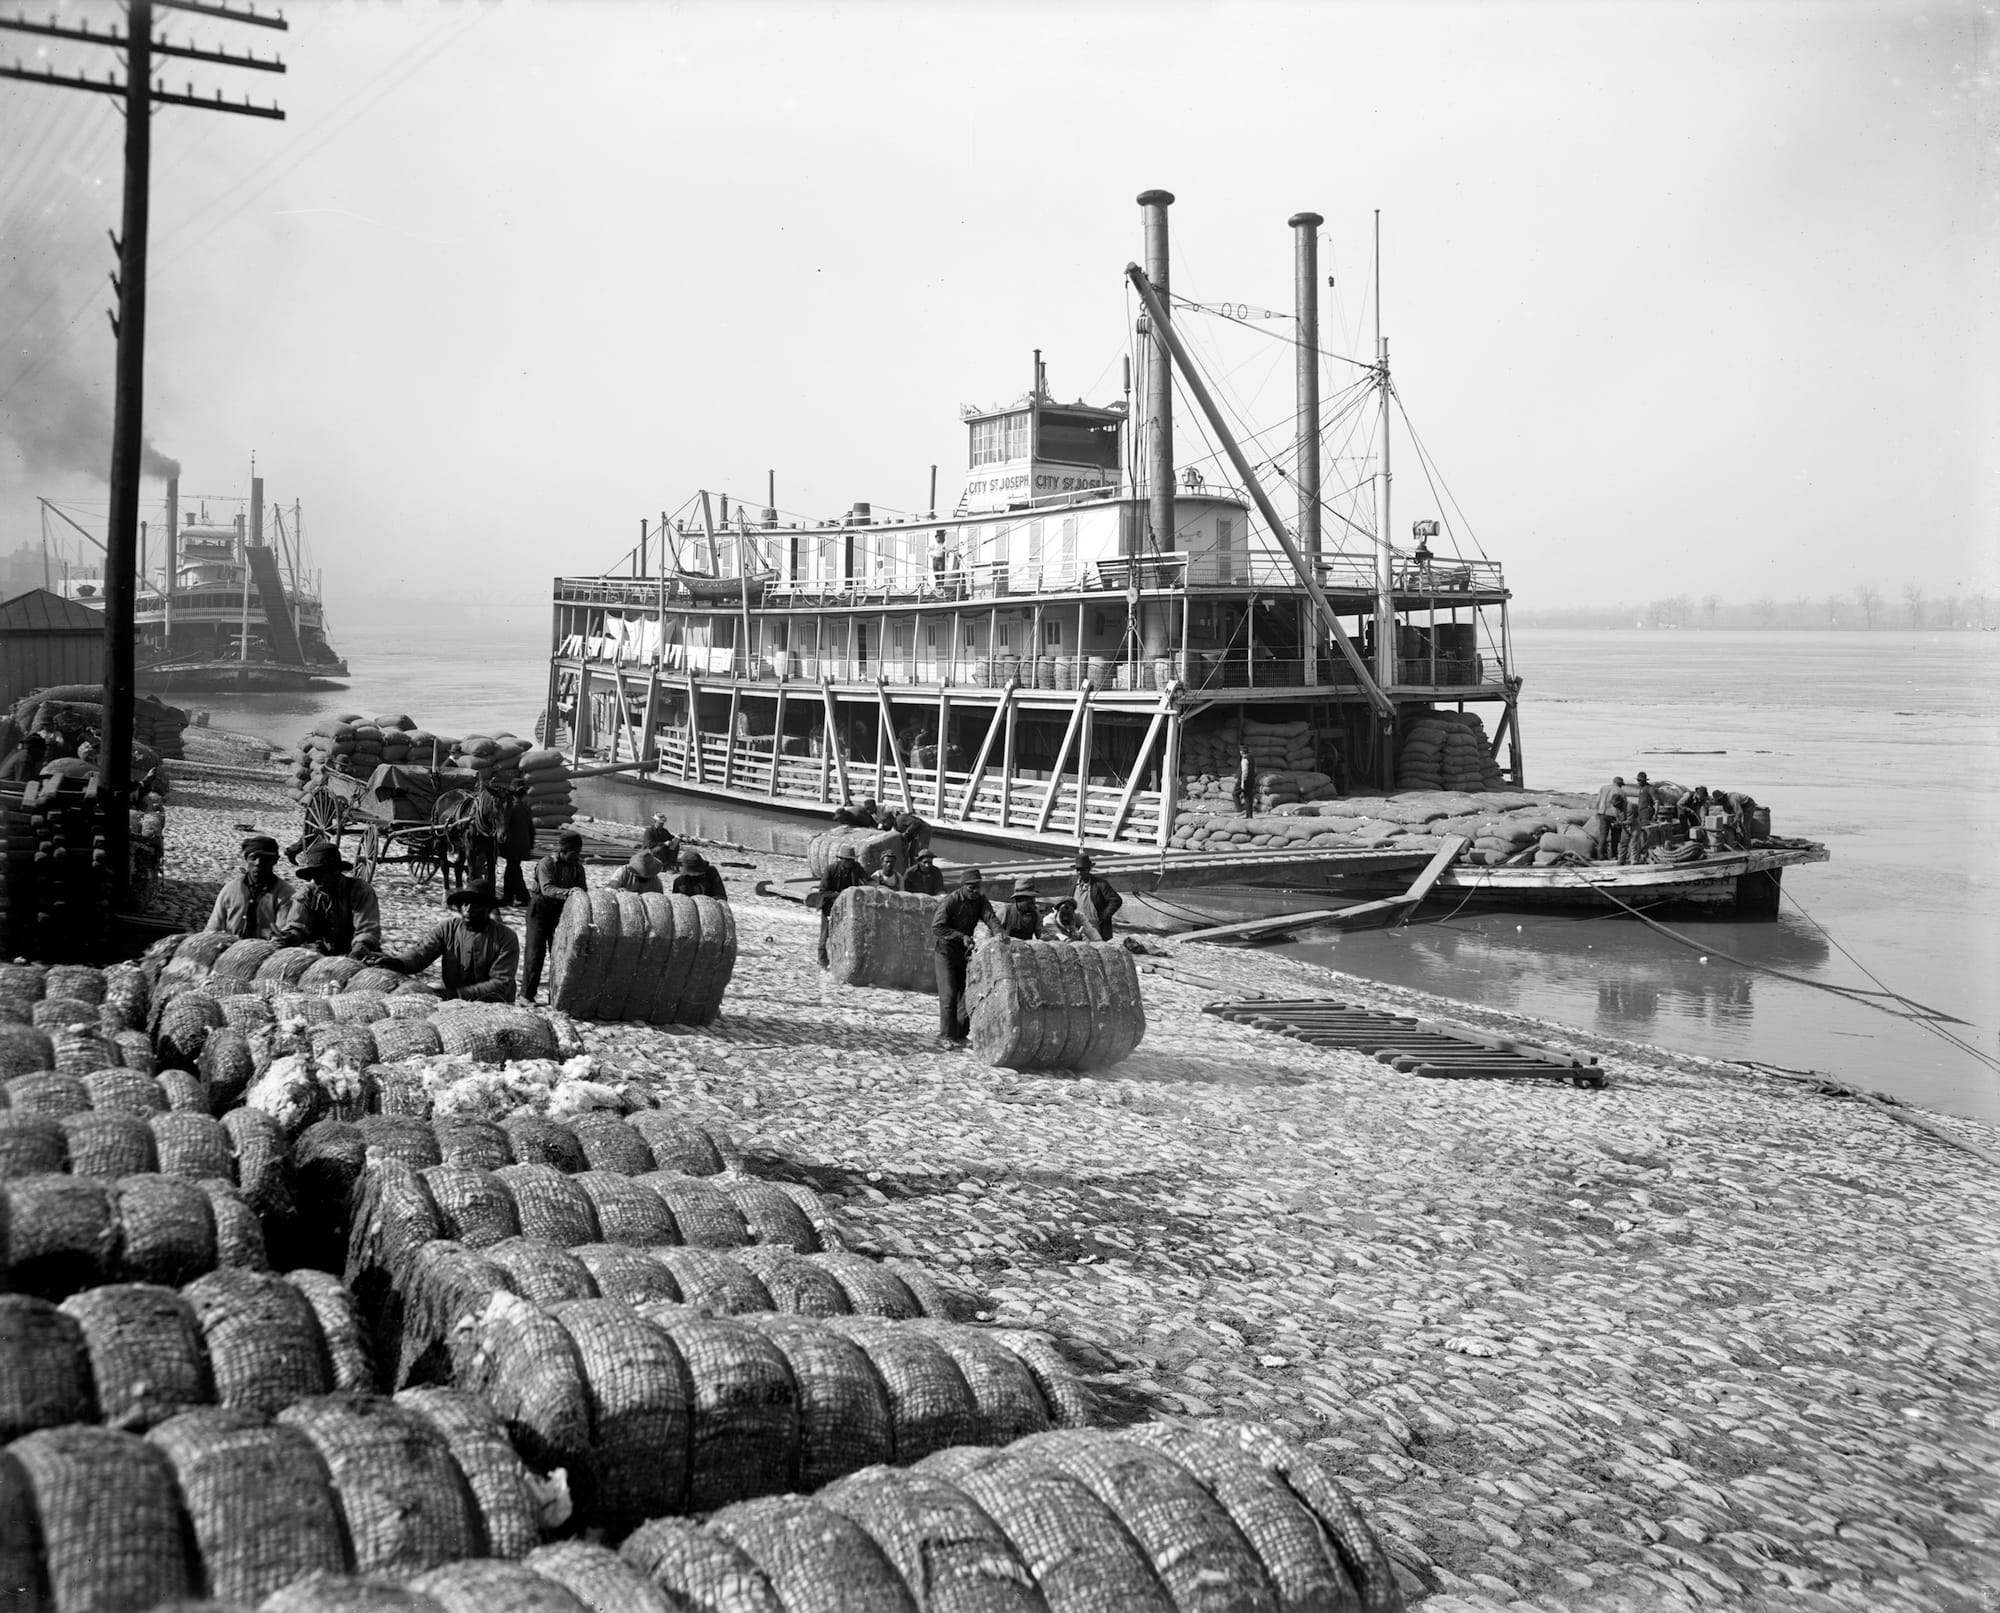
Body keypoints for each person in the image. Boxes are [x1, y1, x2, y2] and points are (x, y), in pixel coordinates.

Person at [377, 878, 519, 1002]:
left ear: (488, 908)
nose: (468, 909)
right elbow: (421, 953)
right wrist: (398, 962)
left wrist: (458, 994)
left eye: (475, 905)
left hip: (492, 1005)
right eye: (465, 903)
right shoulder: (448, 928)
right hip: (450, 1000)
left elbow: (500, 983)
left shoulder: (506, 938)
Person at [931, 867, 1001, 1045]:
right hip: (945, 952)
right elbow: (937, 927)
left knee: (966, 996)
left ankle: (959, 1034)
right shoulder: (950, 901)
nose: (975, 891)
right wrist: (960, 936)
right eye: (971, 887)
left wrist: (999, 932)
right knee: (948, 995)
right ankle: (946, 1036)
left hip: (964, 954)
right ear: (963, 886)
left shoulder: (980, 901)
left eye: (978, 887)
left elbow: (990, 917)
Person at [275, 842, 383, 957]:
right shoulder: (306, 893)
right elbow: (298, 925)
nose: (323, 878)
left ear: (338, 871)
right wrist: (290, 936)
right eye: (317, 874)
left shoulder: (360, 890)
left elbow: (367, 929)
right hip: (320, 953)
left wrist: (359, 950)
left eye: (328, 872)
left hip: (358, 951)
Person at [521, 828, 588, 1003]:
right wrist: (570, 892)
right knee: (535, 954)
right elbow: (547, 889)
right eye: (574, 853)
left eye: (579, 853)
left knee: (558, 954)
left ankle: (555, 997)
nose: (577, 857)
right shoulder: (547, 863)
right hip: (540, 910)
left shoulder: (578, 868)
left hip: (561, 913)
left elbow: (583, 890)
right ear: (563, 851)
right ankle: (526, 996)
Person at [205, 834, 296, 939]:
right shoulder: (230, 889)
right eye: (253, 858)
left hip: (267, 950)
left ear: (275, 860)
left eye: (265, 859)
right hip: (230, 949)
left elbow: (282, 935)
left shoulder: (286, 894)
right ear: (246, 859)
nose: (258, 863)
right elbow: (213, 928)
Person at [816, 844, 871, 967]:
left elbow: (868, 879)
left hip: (848, 906)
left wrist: (875, 885)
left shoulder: (856, 868)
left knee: (848, 933)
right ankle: (822, 962)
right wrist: (840, 895)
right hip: (829, 905)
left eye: (852, 860)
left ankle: (842, 961)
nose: (850, 863)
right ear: (841, 859)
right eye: (848, 860)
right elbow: (823, 891)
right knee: (825, 935)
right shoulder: (831, 869)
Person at [1071, 853, 1124, 941]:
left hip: (1095, 927)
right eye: (1078, 869)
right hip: (1077, 926)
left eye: (1083, 869)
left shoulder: (1100, 884)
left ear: (1089, 869)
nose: (1080, 872)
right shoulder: (1074, 884)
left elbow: (1116, 900)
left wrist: (1104, 915)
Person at [500, 782, 537, 906]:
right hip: (522, 845)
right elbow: (532, 829)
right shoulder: (525, 807)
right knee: (512, 869)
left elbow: (503, 827)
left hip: (512, 845)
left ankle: (522, 897)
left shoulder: (511, 808)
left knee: (513, 870)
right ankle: (509, 897)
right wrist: (530, 844)